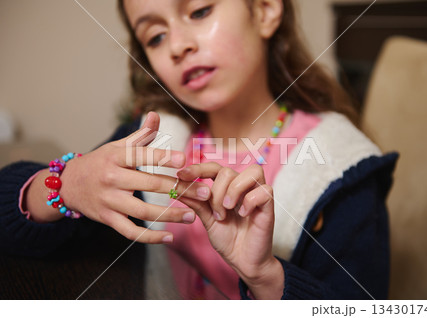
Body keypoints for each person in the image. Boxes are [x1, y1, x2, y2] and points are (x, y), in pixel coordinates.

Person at [0, 0, 397, 300]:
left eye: (199, 11)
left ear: (264, 10)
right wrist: (67, 184)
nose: (177, 46)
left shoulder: (342, 171)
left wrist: (265, 276)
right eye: (155, 36)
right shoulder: (151, 138)